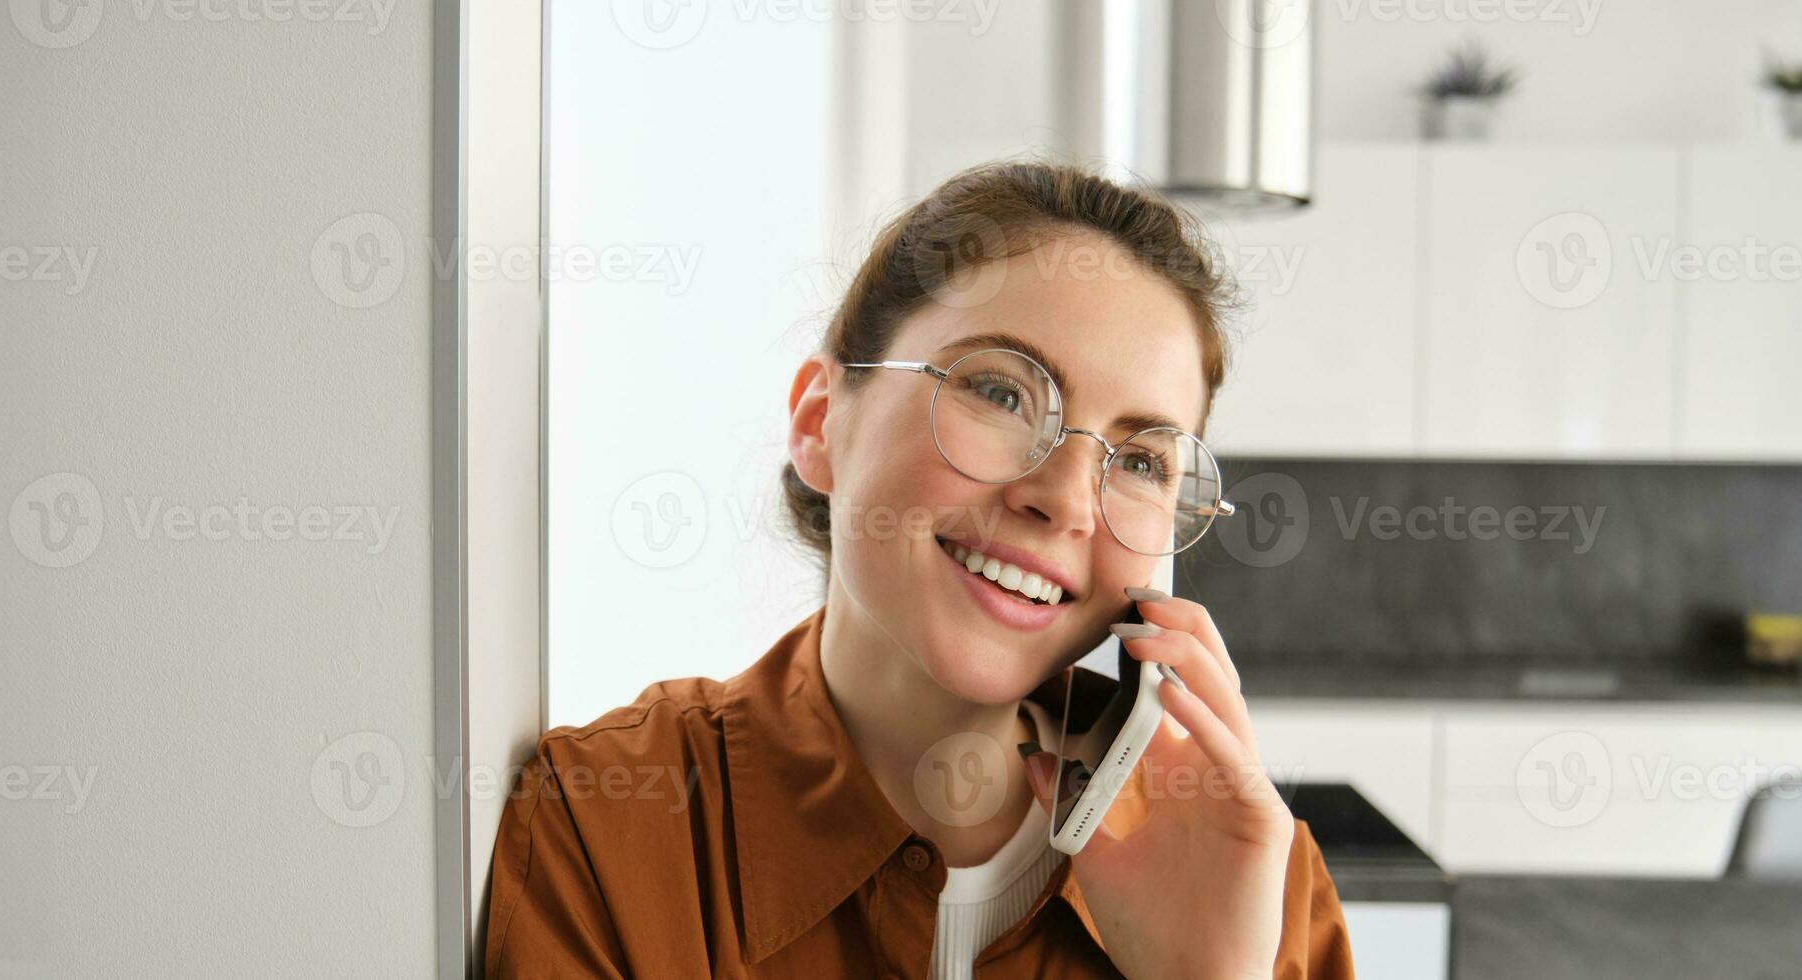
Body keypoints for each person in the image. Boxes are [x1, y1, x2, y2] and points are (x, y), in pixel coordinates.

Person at [483, 159, 1355, 978]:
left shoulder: (1258, 880)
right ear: (821, 423)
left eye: (1140, 460)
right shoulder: (613, 827)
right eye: (1001, 393)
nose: (1065, 499)